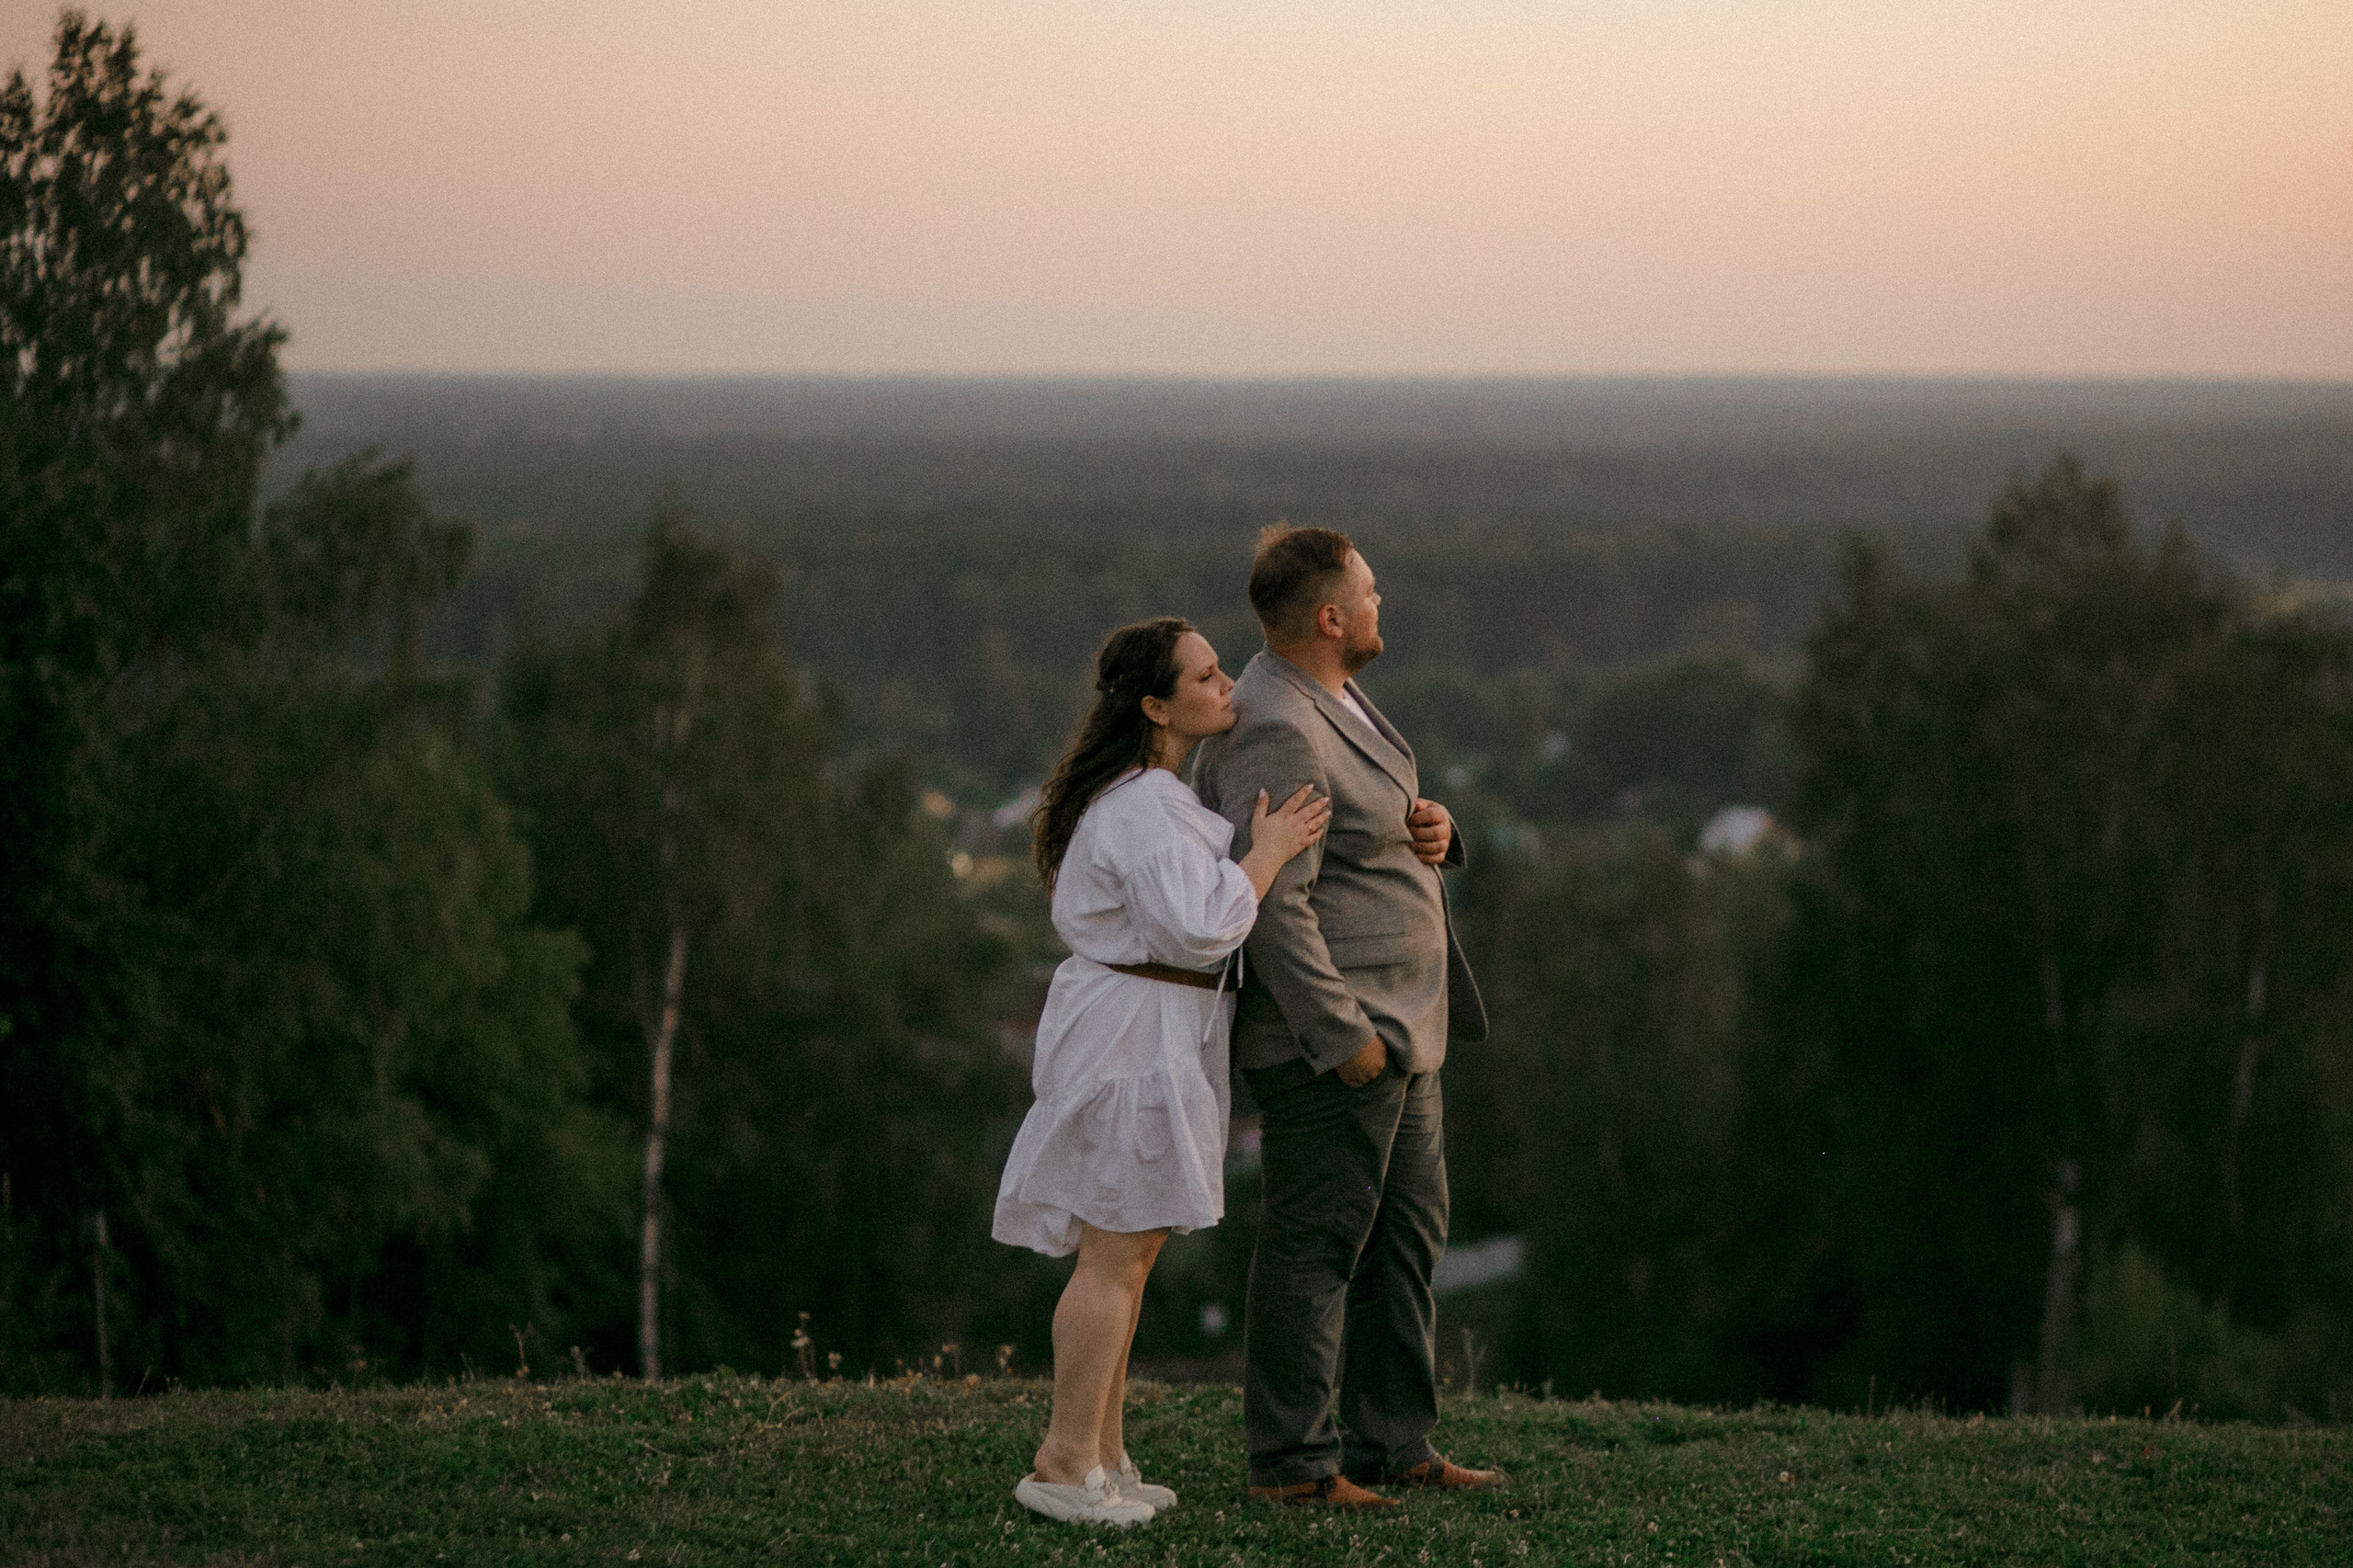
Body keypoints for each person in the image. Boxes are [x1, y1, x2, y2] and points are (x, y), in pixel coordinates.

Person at [1192, 525, 1505, 1511]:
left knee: (1406, 1237)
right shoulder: (1272, 722)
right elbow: (1275, 905)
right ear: (1329, 616)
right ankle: (1291, 1464)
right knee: (1316, 1243)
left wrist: (1436, 829)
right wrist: (1346, 1040)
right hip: (1337, 1043)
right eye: (1370, 593)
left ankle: (1390, 1441)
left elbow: (1369, 826)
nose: (1381, 605)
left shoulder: (1333, 694)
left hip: (1405, 1030)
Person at [995, 615, 1331, 1528]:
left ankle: (1102, 1453)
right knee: (1113, 1252)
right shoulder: (1140, 805)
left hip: (1156, 1024)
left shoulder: (1153, 796)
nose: (1227, 684)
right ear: (1155, 704)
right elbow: (1193, 926)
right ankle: (1063, 1462)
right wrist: (1265, 856)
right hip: (1129, 1034)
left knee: (1132, 1251)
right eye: (1206, 675)